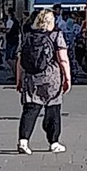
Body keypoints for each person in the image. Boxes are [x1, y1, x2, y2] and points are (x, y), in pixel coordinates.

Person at [15, 9, 71, 154]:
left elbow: (20, 60)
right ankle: (54, 142)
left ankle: (23, 140)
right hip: (51, 77)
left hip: (31, 77)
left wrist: (19, 79)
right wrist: (67, 78)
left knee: (30, 109)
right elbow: (63, 59)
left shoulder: (27, 36)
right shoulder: (56, 35)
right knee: (53, 109)